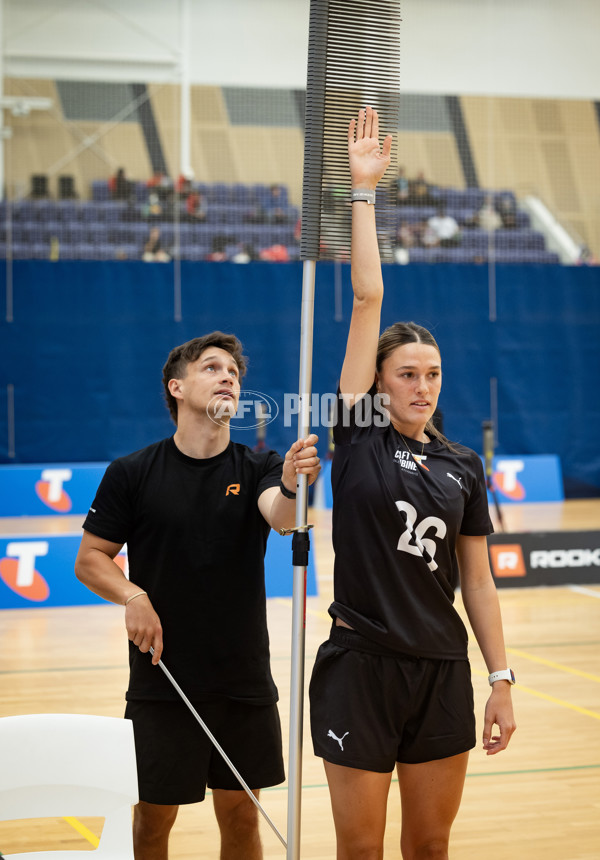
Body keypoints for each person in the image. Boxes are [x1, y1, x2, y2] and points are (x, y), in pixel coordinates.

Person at [309, 107, 516, 860]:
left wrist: (501, 678)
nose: (421, 386)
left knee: (428, 846)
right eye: (407, 374)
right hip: (359, 670)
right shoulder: (358, 434)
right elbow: (369, 300)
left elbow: (480, 583)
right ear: (380, 384)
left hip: (440, 670)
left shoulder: (463, 464)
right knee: (358, 851)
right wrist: (363, 193)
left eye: (432, 374)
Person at [75, 332, 321, 860]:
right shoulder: (133, 473)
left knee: (240, 820)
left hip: (242, 678)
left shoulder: (257, 467)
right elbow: (91, 559)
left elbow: (280, 517)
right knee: (153, 822)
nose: (228, 376)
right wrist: (133, 595)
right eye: (212, 367)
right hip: (162, 679)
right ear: (178, 387)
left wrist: (293, 484)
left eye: (234, 371)